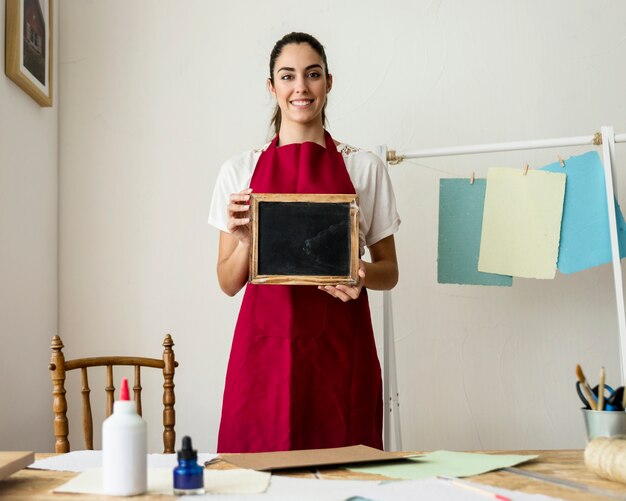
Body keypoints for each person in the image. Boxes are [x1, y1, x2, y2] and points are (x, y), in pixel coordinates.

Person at [208, 32, 400, 453]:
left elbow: (390, 271)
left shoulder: (363, 168)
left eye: (312, 75)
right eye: (288, 75)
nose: (301, 87)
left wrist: (360, 272)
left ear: (328, 83)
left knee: (345, 478)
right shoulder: (239, 171)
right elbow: (227, 282)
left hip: (341, 352)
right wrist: (246, 241)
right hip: (264, 358)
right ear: (271, 86)